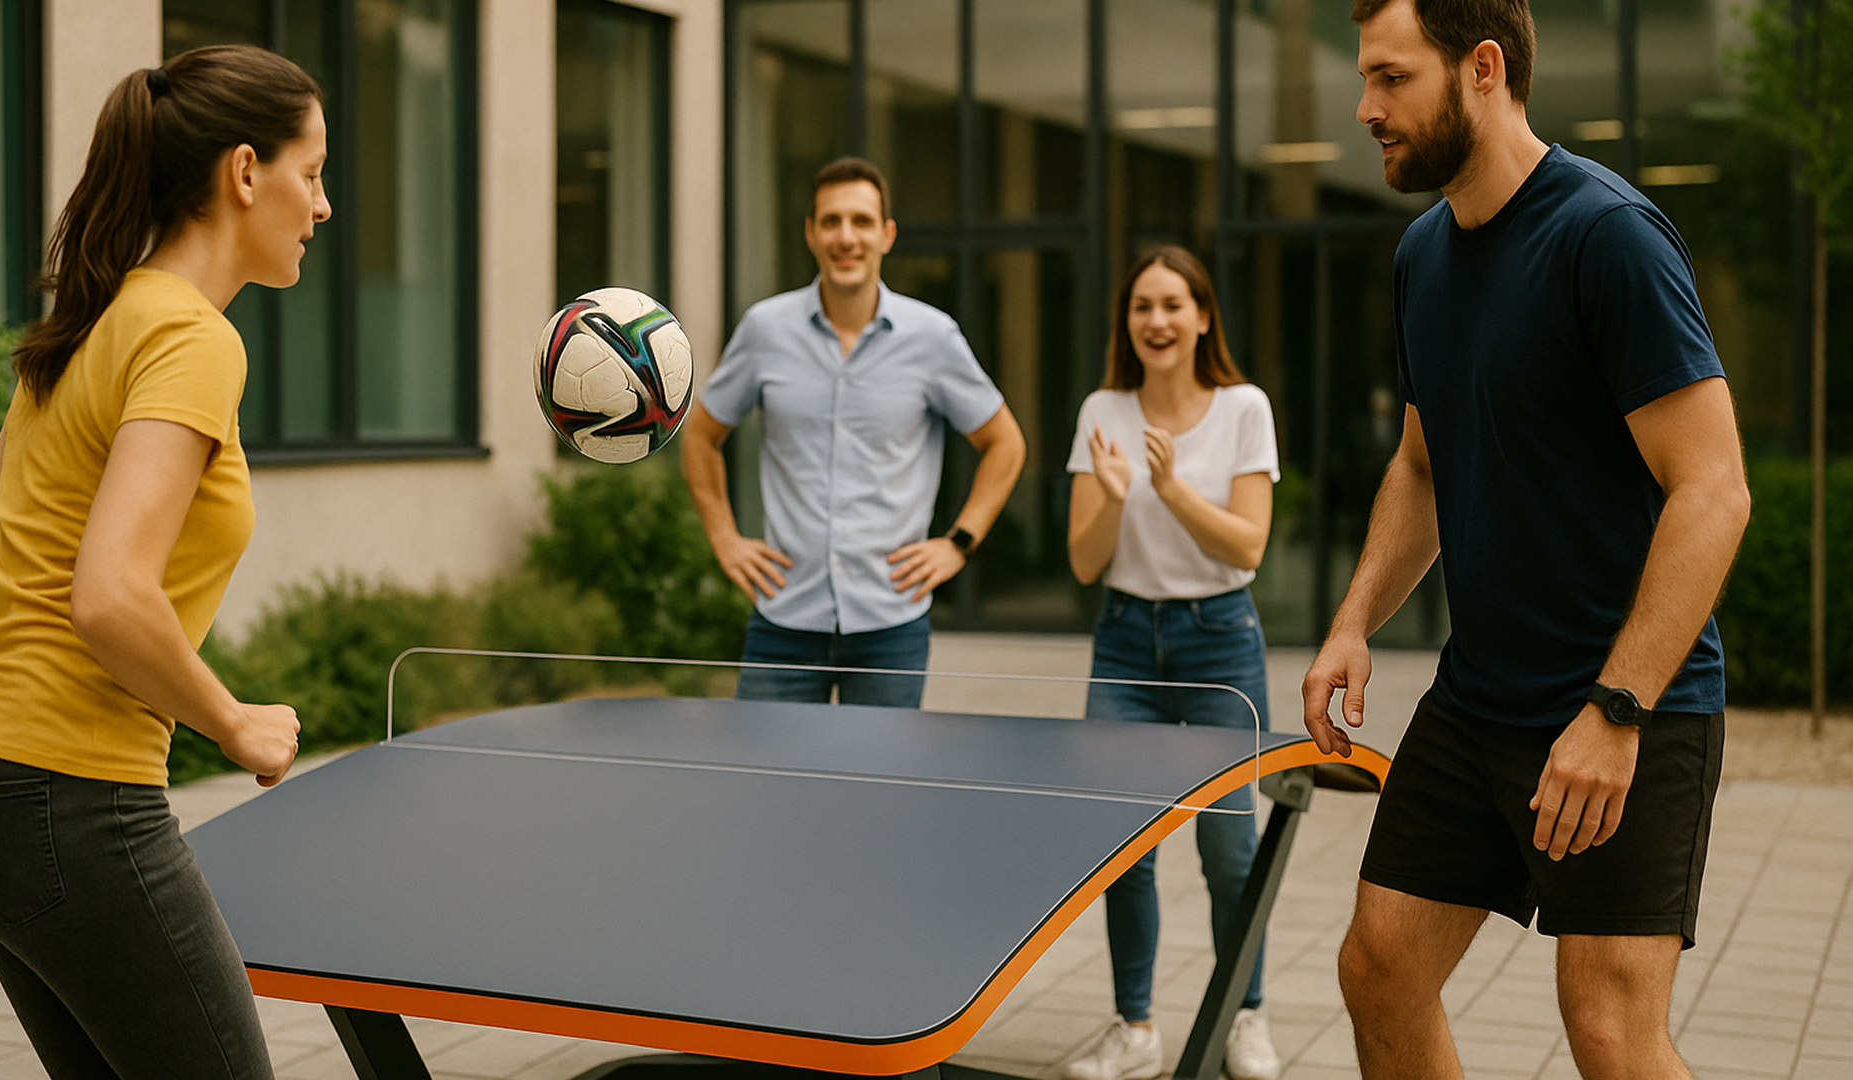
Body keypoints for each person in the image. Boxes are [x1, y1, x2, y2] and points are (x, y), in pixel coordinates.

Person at [1300, 3, 1751, 1078]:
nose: (1366, 109)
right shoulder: (1423, 255)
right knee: (1379, 969)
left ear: (1484, 68)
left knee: (1606, 1025)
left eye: (1391, 79)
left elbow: (1714, 489)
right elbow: (1420, 466)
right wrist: (1353, 621)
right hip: (1481, 698)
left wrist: (1617, 709)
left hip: (1628, 702)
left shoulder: (1607, 235)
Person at [0, 45, 327, 1078]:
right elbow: (109, 595)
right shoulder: (193, 338)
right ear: (247, 172)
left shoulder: (90, 320)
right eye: (313, 171)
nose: (323, 206)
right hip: (74, 804)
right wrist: (235, 722)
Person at [683, 157, 1025, 706]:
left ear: (886, 235)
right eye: (832, 221)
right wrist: (725, 539)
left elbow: (1005, 443)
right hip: (784, 620)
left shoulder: (933, 337)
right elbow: (701, 435)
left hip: (891, 625)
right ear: (811, 233)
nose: (847, 237)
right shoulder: (765, 330)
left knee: (881, 791)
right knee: (763, 785)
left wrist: (958, 544)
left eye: (862, 222)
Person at [1063, 247, 1283, 1080]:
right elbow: (1085, 563)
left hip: (1220, 644)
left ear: (1201, 318)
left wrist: (1169, 487)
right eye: (1141, 307)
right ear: (1128, 323)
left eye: (1172, 305)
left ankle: (1245, 1016)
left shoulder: (1243, 409)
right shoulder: (1102, 409)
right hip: (1125, 646)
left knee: (1230, 853)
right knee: (1124, 854)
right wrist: (1116, 496)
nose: (1156, 321)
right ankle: (1135, 1029)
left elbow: (1249, 545)